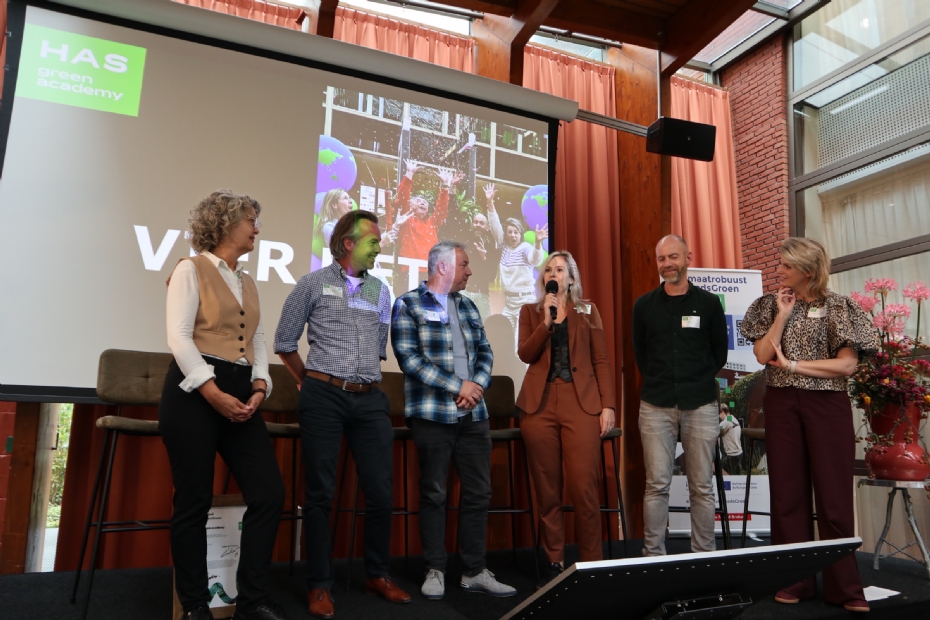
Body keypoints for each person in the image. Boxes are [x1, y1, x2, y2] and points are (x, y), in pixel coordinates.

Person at [274, 210, 411, 619]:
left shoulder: (381, 291)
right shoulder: (312, 284)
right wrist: (308, 381)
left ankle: (378, 574)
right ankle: (320, 584)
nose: (380, 246)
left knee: (382, 493)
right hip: (324, 395)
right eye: (373, 241)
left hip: (370, 399)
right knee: (319, 495)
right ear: (347, 243)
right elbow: (284, 341)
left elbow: (377, 349)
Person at [160, 190, 288, 620]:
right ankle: (196, 606)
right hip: (194, 390)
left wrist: (259, 385)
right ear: (225, 224)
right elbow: (178, 337)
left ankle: (251, 603)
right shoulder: (189, 269)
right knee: (193, 500)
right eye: (251, 219)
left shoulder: (247, 280)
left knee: (269, 493)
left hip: (240, 389)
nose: (257, 227)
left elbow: (260, 340)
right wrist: (212, 392)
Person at [740, 237, 879, 614]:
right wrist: (782, 316)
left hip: (826, 405)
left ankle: (846, 588)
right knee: (788, 496)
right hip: (782, 404)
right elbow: (762, 355)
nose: (778, 270)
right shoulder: (771, 305)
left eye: (785, 265)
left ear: (807, 270)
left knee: (833, 498)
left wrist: (796, 367)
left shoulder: (839, 307)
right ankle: (794, 580)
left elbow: (846, 366)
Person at [391, 241, 516, 600]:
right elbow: (409, 359)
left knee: (479, 492)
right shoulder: (408, 304)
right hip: (432, 414)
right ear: (442, 267)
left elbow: (486, 351)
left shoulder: (469, 305)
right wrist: (456, 385)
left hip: (474, 414)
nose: (469, 271)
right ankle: (435, 568)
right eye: (463, 264)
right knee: (434, 492)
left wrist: (476, 386)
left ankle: (474, 570)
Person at [515, 251, 616, 589]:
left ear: (571, 278)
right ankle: (554, 560)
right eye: (548, 270)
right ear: (543, 280)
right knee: (547, 489)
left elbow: (601, 359)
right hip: (539, 406)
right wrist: (547, 321)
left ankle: (591, 562)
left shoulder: (588, 310)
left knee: (584, 487)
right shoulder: (530, 311)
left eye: (559, 269)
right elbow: (526, 354)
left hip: (581, 403)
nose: (553, 274)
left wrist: (608, 405)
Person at [632, 235, 728, 558]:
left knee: (701, 486)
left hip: (700, 404)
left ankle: (703, 555)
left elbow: (719, 355)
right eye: (661, 259)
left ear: (688, 256)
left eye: (673, 256)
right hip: (655, 406)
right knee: (656, 485)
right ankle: (653, 555)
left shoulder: (710, 304)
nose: (667, 264)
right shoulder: (643, 306)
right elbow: (640, 355)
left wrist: (693, 380)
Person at [460, 183, 504, 320]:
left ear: (487, 228)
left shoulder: (492, 250)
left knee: (484, 331)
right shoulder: (464, 242)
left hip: (482, 296)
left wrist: (484, 257)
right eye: (476, 222)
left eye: (481, 223)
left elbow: (491, 277)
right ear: (472, 224)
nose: (478, 225)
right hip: (463, 293)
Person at [500, 217, 547, 343]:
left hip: (525, 301)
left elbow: (535, 260)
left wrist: (537, 242)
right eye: (510, 232)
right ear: (506, 234)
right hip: (509, 303)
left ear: (520, 234)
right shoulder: (504, 248)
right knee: (503, 340)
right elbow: (495, 229)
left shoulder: (525, 247)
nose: (513, 235)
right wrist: (489, 203)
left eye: (516, 232)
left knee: (519, 343)